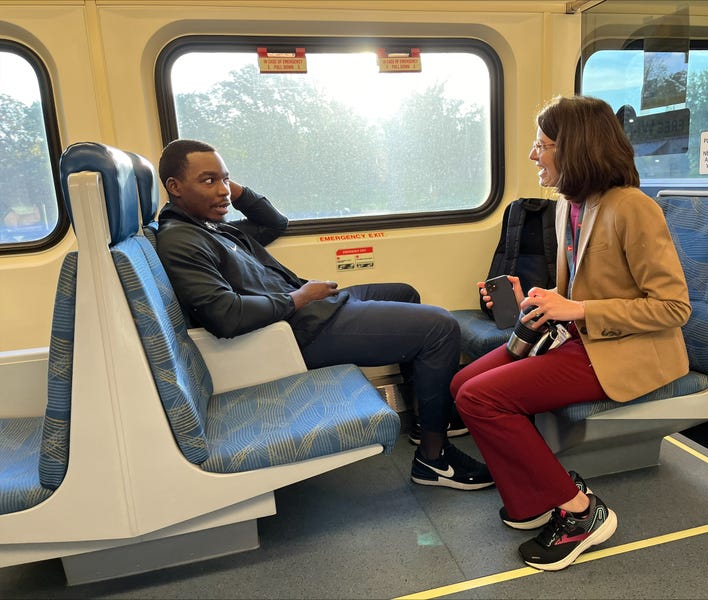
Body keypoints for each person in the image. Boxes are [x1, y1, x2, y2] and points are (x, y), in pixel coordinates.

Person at [155, 139, 492, 491]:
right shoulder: (181, 241)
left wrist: (226, 189)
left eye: (225, 180)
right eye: (208, 181)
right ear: (175, 188)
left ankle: (427, 421)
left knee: (404, 293)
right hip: (297, 332)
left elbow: (274, 223)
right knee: (440, 327)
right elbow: (225, 315)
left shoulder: (212, 227)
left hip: (309, 311)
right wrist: (299, 298)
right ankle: (434, 459)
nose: (223, 190)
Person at [450, 95, 692, 570]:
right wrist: (536, 299)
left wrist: (576, 308)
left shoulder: (632, 208)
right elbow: (579, 288)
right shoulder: (571, 206)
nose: (532, 155)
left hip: (627, 349)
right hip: (581, 336)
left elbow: (673, 307)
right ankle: (532, 500)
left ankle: (582, 511)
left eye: (542, 145)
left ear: (574, 150)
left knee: (483, 399)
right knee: (462, 385)